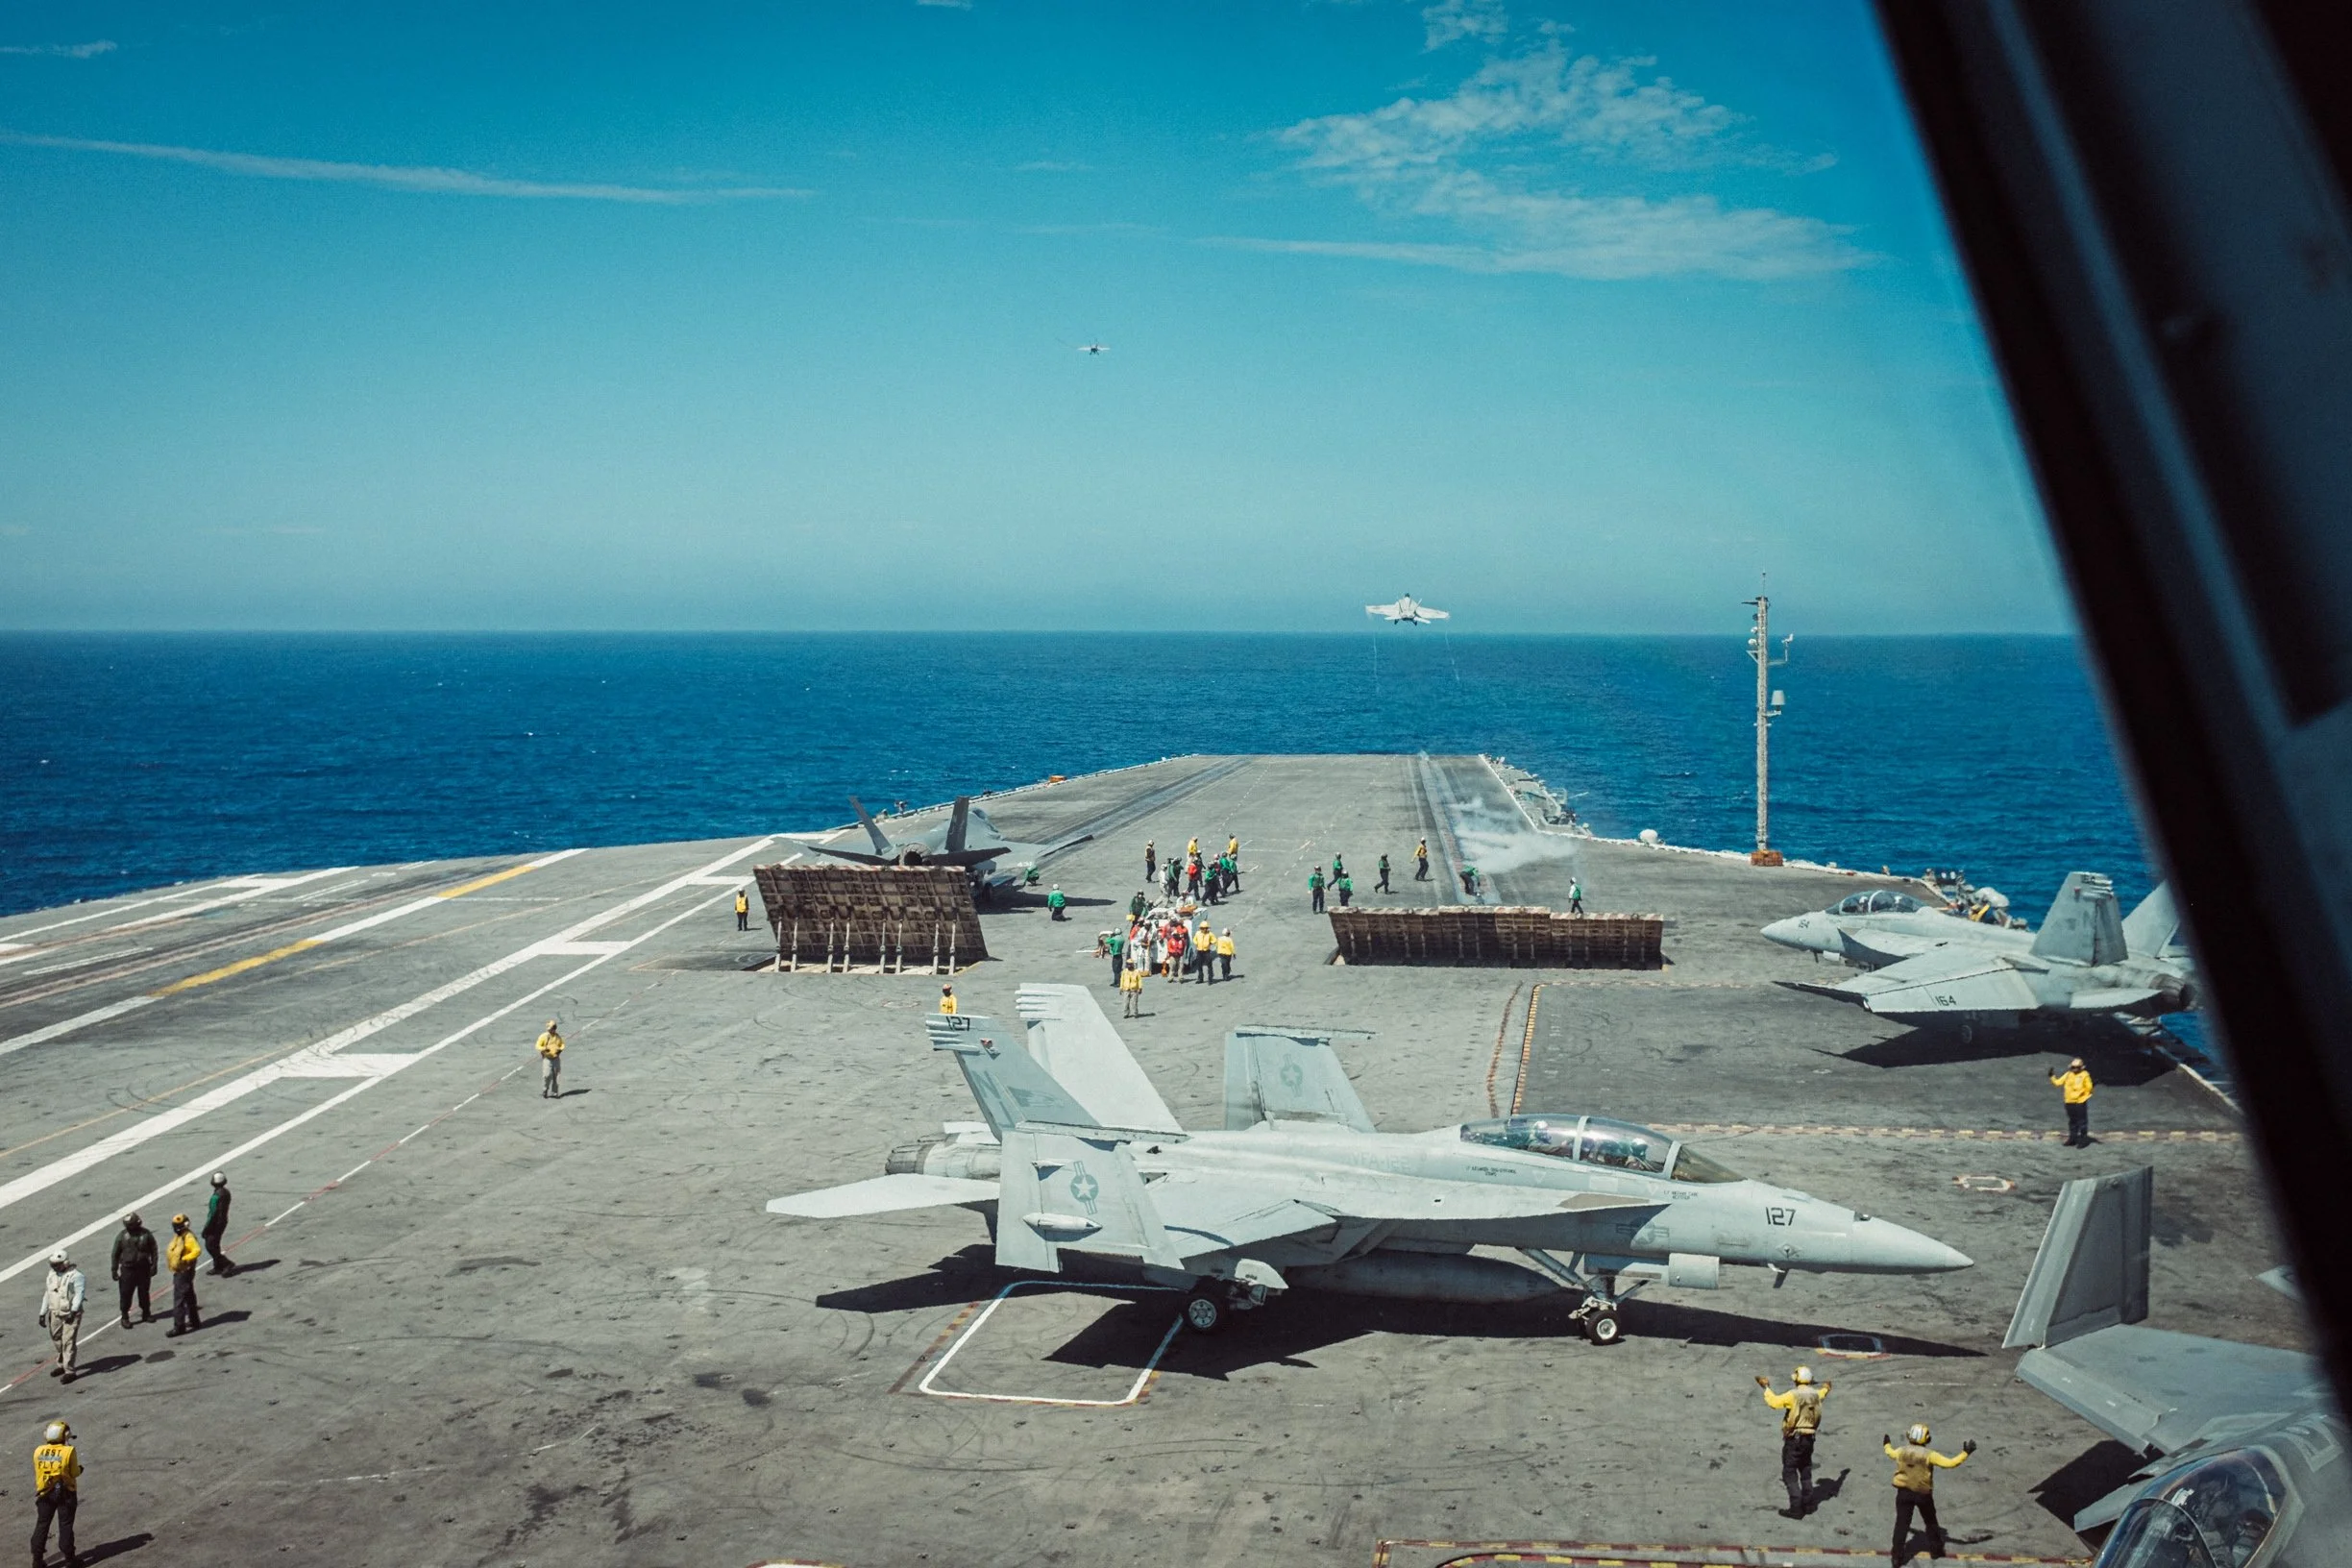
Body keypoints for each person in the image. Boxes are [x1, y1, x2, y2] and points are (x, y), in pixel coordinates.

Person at [1882, 1422, 1974, 1565]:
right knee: (1930, 1522)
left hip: (1904, 1493)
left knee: (1901, 1525)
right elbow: (1950, 1463)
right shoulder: (1930, 1455)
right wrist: (1965, 1453)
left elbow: (1890, 1452)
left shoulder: (1901, 1451)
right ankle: (1936, 1551)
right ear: (1926, 1439)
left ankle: (1896, 1557)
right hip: (1922, 1494)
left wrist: (1887, 1444)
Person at [1758, 1366, 1832, 1517]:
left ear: (1797, 1380)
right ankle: (1808, 1504)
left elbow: (1774, 1402)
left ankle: (1796, 1508)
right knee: (1805, 1469)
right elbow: (1823, 1392)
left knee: (1789, 1472)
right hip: (1809, 1439)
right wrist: (1827, 1387)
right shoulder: (1816, 1394)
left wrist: (1766, 1387)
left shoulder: (1793, 1395)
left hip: (1795, 1440)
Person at [32, 1419, 81, 1568]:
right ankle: (70, 1559)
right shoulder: (68, 1451)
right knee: (65, 1525)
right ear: (64, 1435)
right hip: (66, 1493)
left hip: (45, 1493)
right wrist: (80, 1468)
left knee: (42, 1525)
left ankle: (37, 1560)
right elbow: (74, 1472)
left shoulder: (38, 1451)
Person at [39, 1253, 85, 1384]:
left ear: (65, 1263)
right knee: (56, 1338)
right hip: (55, 1312)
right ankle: (62, 1364)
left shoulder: (76, 1276)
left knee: (68, 1341)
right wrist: (42, 1313)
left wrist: (74, 1311)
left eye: (57, 1265)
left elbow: (79, 1295)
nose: (54, 1267)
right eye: (52, 1265)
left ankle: (70, 1371)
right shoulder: (51, 1275)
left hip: (70, 1313)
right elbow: (48, 1294)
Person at [110, 1213, 157, 1329]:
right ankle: (125, 1316)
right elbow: (115, 1254)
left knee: (144, 1292)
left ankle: (146, 1313)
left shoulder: (146, 1234)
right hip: (128, 1270)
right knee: (126, 1293)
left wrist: (154, 1265)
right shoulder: (122, 1236)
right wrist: (114, 1269)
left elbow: (154, 1249)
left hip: (143, 1268)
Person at [164, 1215, 203, 1335]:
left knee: (179, 1300)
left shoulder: (188, 1237)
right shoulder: (181, 1236)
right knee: (189, 1295)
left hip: (184, 1271)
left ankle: (179, 1327)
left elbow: (197, 1250)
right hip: (183, 1271)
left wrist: (185, 1259)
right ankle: (194, 1320)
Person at [2051, 1058, 2095, 1146]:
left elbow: (2089, 1088)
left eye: (2076, 1067)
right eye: (2073, 1067)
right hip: (2069, 1102)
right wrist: (2052, 1076)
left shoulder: (2084, 1075)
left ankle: (2083, 1140)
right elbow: (2058, 1083)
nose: (2074, 1069)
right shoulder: (2068, 1074)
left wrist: (2082, 1097)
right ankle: (2072, 1139)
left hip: (2079, 1102)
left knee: (2082, 1122)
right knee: (2072, 1121)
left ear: (2081, 1068)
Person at [202, 1171, 235, 1276]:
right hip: (222, 1221)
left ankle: (226, 1263)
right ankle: (218, 1266)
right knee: (215, 1244)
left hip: (215, 1224)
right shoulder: (226, 1192)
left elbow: (213, 1214)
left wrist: (206, 1228)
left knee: (210, 1245)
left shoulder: (216, 1196)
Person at [536, 1019, 566, 1098]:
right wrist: (544, 1048)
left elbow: (562, 1044)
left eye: (553, 1028)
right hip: (547, 1058)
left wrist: (560, 1049)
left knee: (556, 1075)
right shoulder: (544, 1036)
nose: (552, 1030)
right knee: (547, 1075)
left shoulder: (557, 1037)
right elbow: (538, 1045)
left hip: (556, 1058)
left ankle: (554, 1092)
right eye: (551, 1028)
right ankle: (545, 1089)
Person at [1195, 920, 1215, 984]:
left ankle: (1210, 979)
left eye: (1204, 928)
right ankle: (1200, 978)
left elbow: (1214, 940)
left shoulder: (1210, 934)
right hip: (1199, 951)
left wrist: (1210, 943)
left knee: (1209, 965)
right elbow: (1194, 940)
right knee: (1199, 965)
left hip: (1206, 951)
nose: (1203, 929)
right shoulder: (1198, 933)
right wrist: (1197, 943)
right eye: (1201, 928)